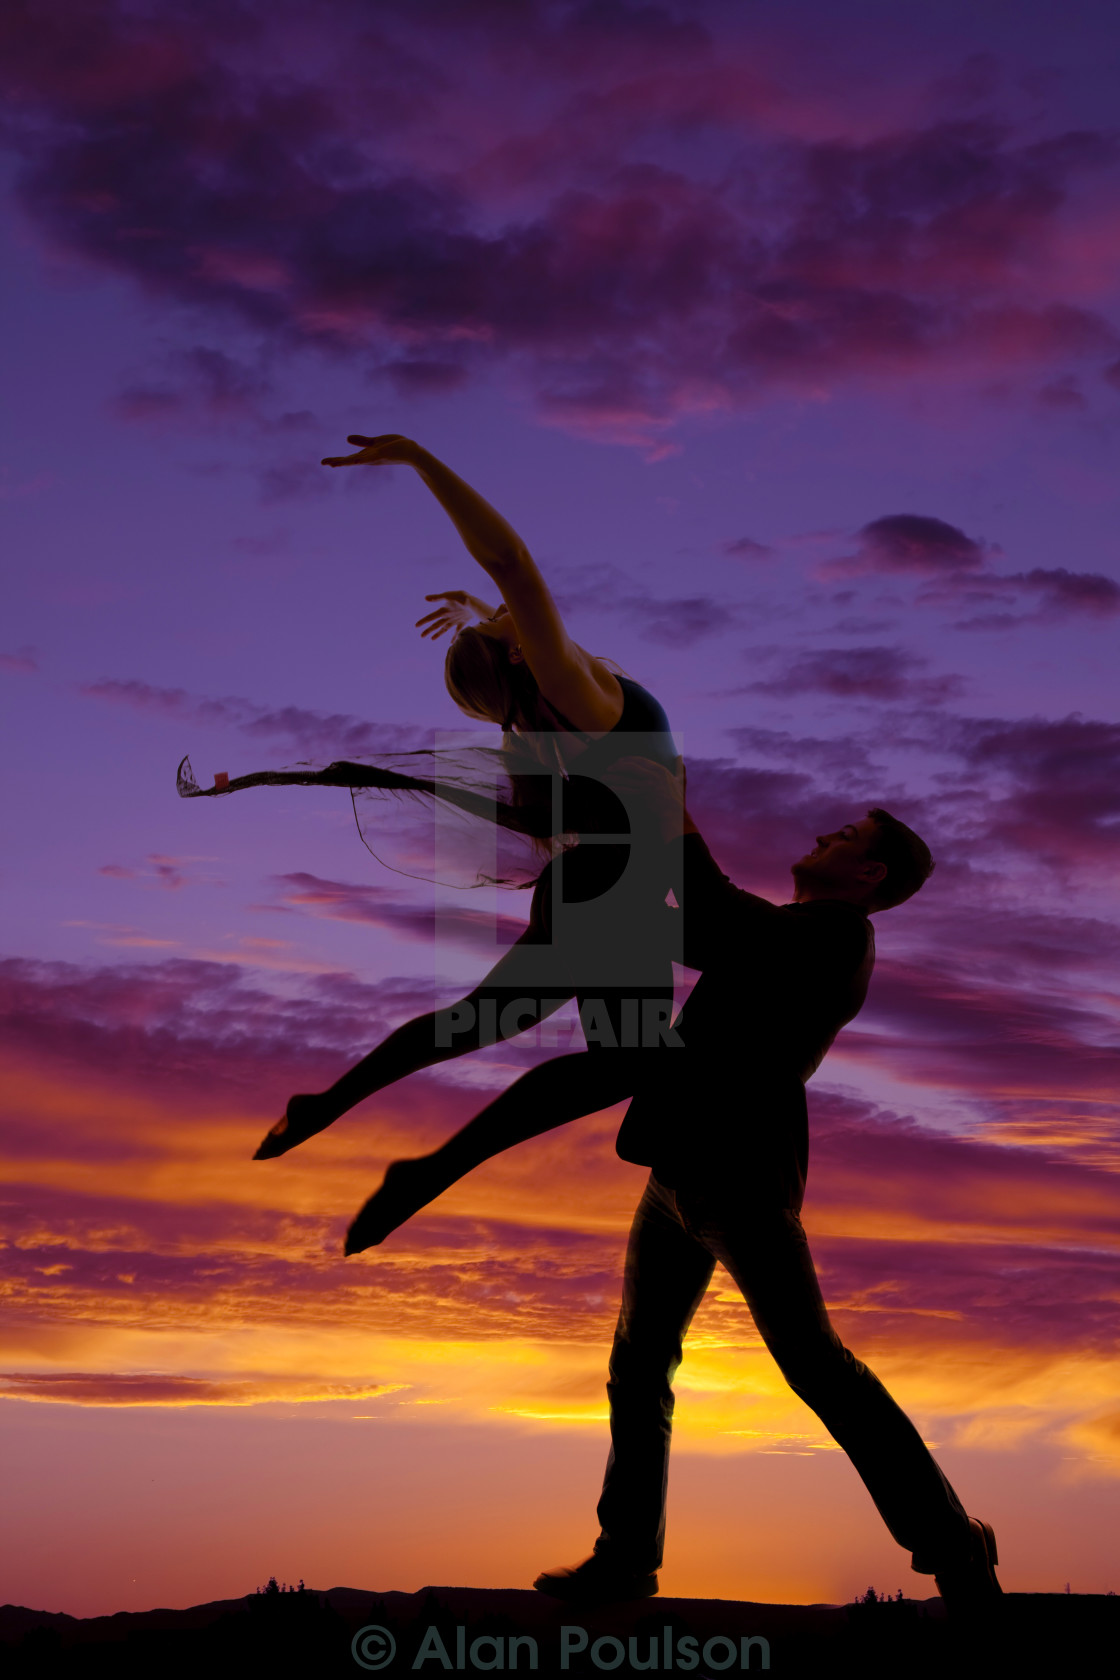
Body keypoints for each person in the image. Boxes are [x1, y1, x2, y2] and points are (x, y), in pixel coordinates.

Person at [346, 763, 1003, 1616]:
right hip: (674, 1181)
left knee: (816, 1368)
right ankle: (625, 1562)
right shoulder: (784, 932)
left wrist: (667, 803)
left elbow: (712, 911)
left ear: (870, 873)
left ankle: (954, 1545)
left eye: (841, 837)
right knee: (638, 1366)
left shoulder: (836, 937)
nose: (819, 839)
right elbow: (690, 926)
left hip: (741, 1186)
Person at [177, 435, 681, 1161]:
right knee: (626, 1060)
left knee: (483, 1023)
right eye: (506, 625)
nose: (508, 613)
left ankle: (328, 1104)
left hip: (586, 886)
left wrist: (486, 617)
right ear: (521, 654)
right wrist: (421, 460)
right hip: (614, 893)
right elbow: (514, 567)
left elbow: (511, 608)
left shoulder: (537, 724)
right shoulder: (579, 693)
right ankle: (435, 1168)